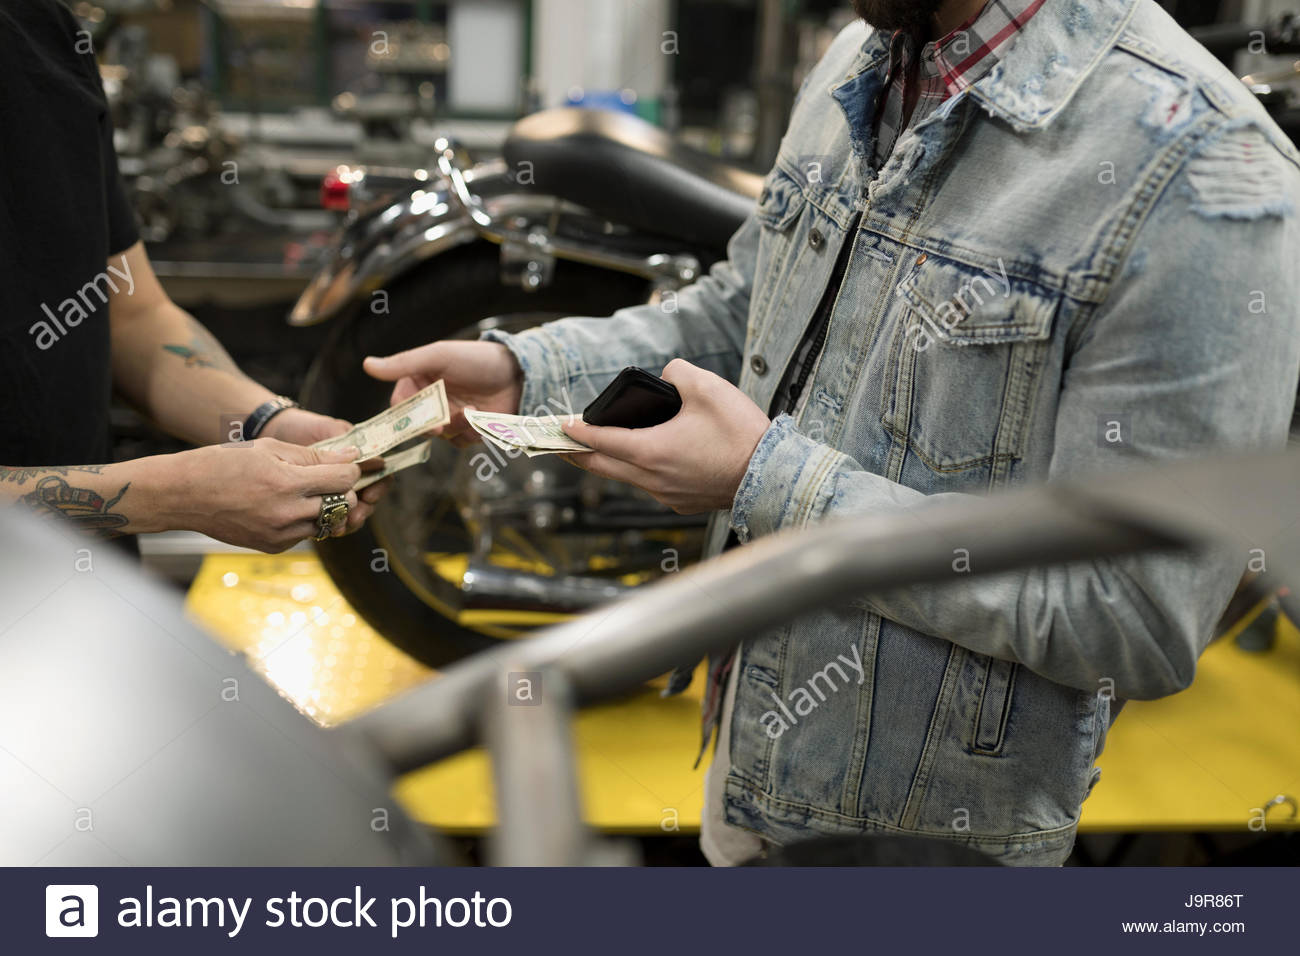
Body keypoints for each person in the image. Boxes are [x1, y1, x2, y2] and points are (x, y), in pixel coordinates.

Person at [365, 0, 1300, 864]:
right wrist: (532, 368)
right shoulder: (868, 55)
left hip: (921, 851)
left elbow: (1133, 615)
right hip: (749, 765)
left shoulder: (1207, 176)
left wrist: (763, 483)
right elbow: (745, 308)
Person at [0, 0, 384, 551]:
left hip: (80, 595)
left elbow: (132, 314)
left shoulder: (46, 36)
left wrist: (267, 424)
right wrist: (168, 496)